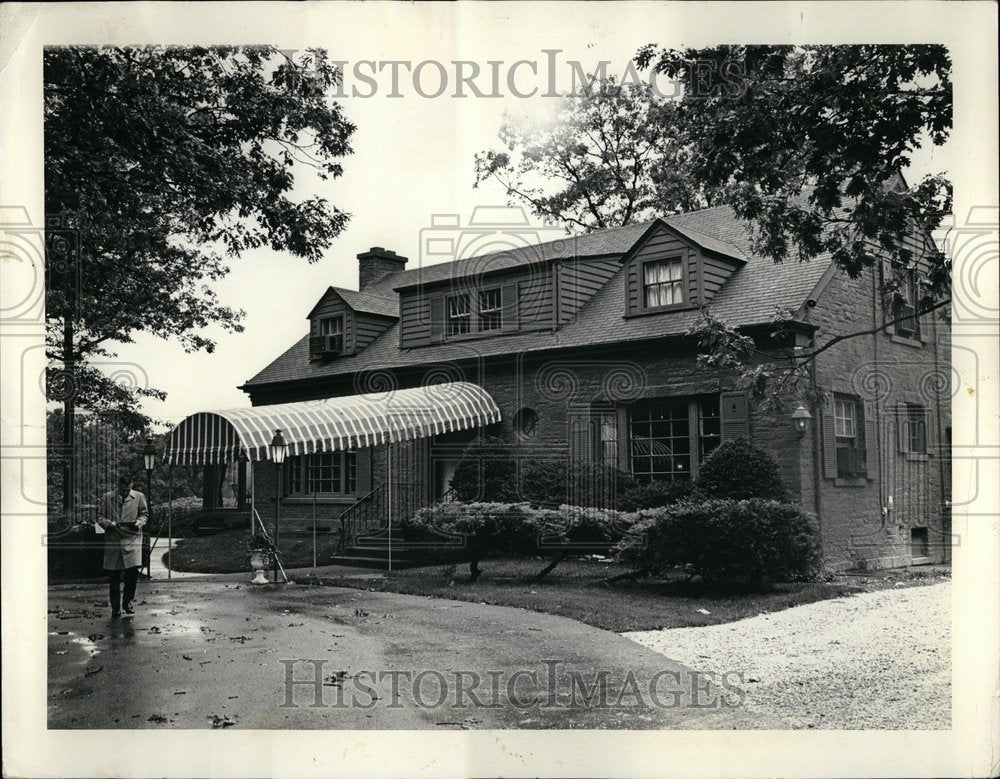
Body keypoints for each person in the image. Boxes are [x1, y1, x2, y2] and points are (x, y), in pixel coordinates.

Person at [97, 474, 148, 618]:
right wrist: (108, 524)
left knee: (132, 576)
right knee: (114, 577)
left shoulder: (139, 497)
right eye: (123, 490)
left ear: (131, 486)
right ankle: (115, 607)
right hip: (114, 541)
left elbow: (144, 514)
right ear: (118, 486)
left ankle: (127, 602)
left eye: (128, 490)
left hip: (132, 540)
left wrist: (139, 522)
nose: (125, 493)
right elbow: (100, 516)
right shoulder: (107, 497)